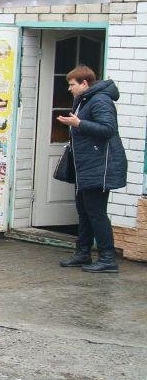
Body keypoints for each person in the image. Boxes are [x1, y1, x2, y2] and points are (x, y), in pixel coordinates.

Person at [57, 65, 128, 274]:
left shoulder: (100, 100)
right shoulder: (84, 100)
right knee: (84, 211)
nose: (69, 89)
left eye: (72, 84)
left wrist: (78, 123)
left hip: (100, 166)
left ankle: (107, 258)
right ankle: (83, 253)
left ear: (84, 83)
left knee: (96, 213)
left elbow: (108, 129)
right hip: (85, 166)